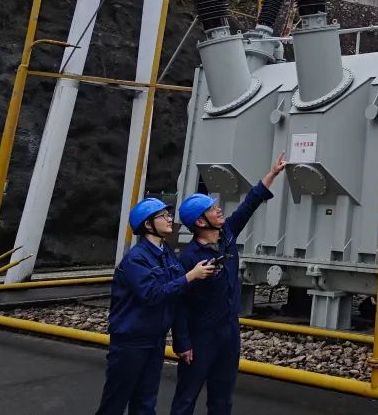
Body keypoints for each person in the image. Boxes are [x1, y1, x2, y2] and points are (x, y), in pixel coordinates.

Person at [170, 153, 286, 415]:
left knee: (222, 399)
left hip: (229, 332)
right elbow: (179, 304)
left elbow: (250, 203)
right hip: (201, 335)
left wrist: (273, 173)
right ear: (200, 222)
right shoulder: (189, 259)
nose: (218, 209)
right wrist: (182, 343)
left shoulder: (228, 236)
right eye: (211, 209)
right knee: (186, 397)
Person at [96, 198, 216, 415]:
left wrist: (202, 272)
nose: (169, 219)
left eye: (168, 214)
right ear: (148, 224)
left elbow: (177, 291)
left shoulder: (166, 253)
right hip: (130, 342)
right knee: (114, 403)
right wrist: (190, 276)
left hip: (155, 340)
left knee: (145, 402)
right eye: (163, 216)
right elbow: (152, 295)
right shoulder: (136, 259)